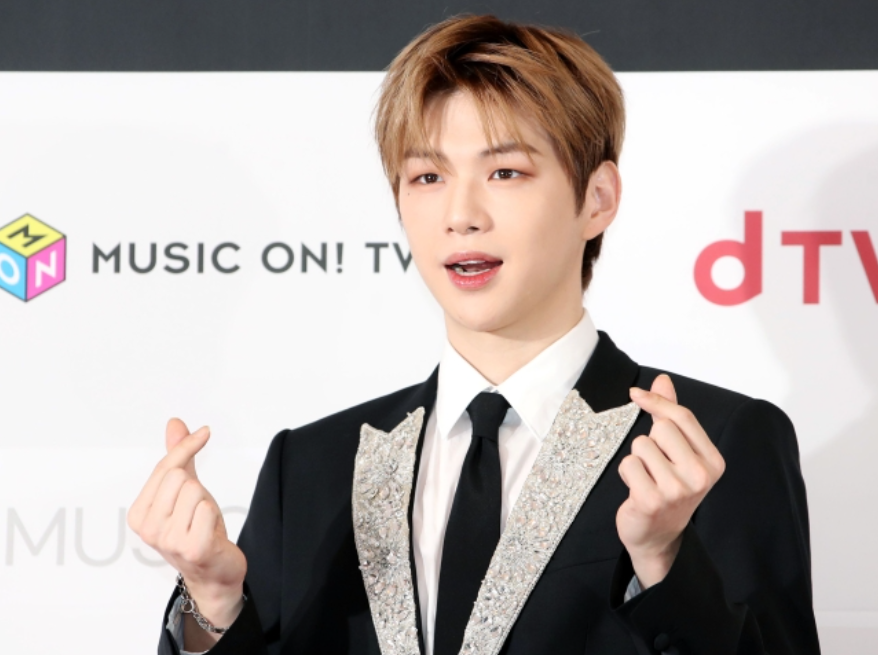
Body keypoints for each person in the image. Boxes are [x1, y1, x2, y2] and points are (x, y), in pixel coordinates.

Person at [128, 14, 821, 655]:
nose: (460, 214)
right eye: (427, 175)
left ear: (597, 198)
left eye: (505, 172)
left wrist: (666, 562)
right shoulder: (311, 466)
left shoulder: (708, 446)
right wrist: (212, 602)